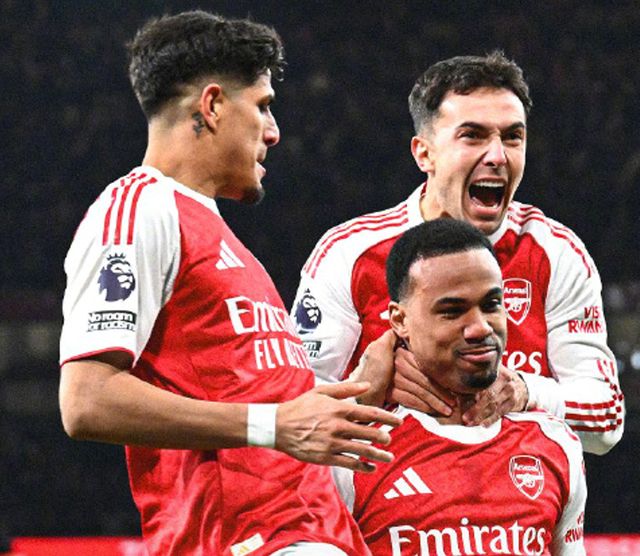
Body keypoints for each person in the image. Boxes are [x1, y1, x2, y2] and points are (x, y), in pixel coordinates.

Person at [58, 11, 402, 556]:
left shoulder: (226, 244)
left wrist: (362, 386)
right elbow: (86, 399)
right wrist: (273, 424)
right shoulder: (139, 209)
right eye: (263, 106)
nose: (274, 131)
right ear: (213, 105)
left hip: (315, 534)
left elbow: (279, 411)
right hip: (248, 540)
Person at [291, 51, 623, 455]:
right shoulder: (349, 254)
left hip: (522, 489)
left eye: (512, 137)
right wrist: (367, 388)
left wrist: (523, 392)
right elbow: (293, 411)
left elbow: (607, 420)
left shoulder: (556, 253)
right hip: (386, 490)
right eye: (473, 135)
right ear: (424, 153)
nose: (498, 156)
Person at [333, 219, 587, 556]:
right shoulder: (354, 455)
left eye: (492, 305)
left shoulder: (556, 444)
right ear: (399, 321)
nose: (480, 328)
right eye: (452, 311)